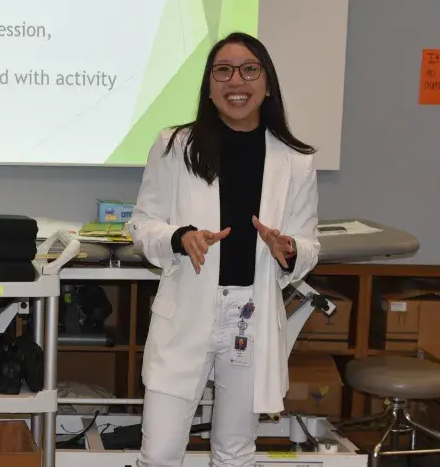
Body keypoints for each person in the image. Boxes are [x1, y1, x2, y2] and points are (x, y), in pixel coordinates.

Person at [127, 32, 321, 467]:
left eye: (250, 69)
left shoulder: (295, 160)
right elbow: (141, 225)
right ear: (210, 84)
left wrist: (286, 247)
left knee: (235, 452)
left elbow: (308, 246)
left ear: (267, 84)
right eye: (224, 70)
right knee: (158, 453)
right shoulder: (174, 145)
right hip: (187, 313)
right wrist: (179, 237)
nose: (237, 80)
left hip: (249, 316)